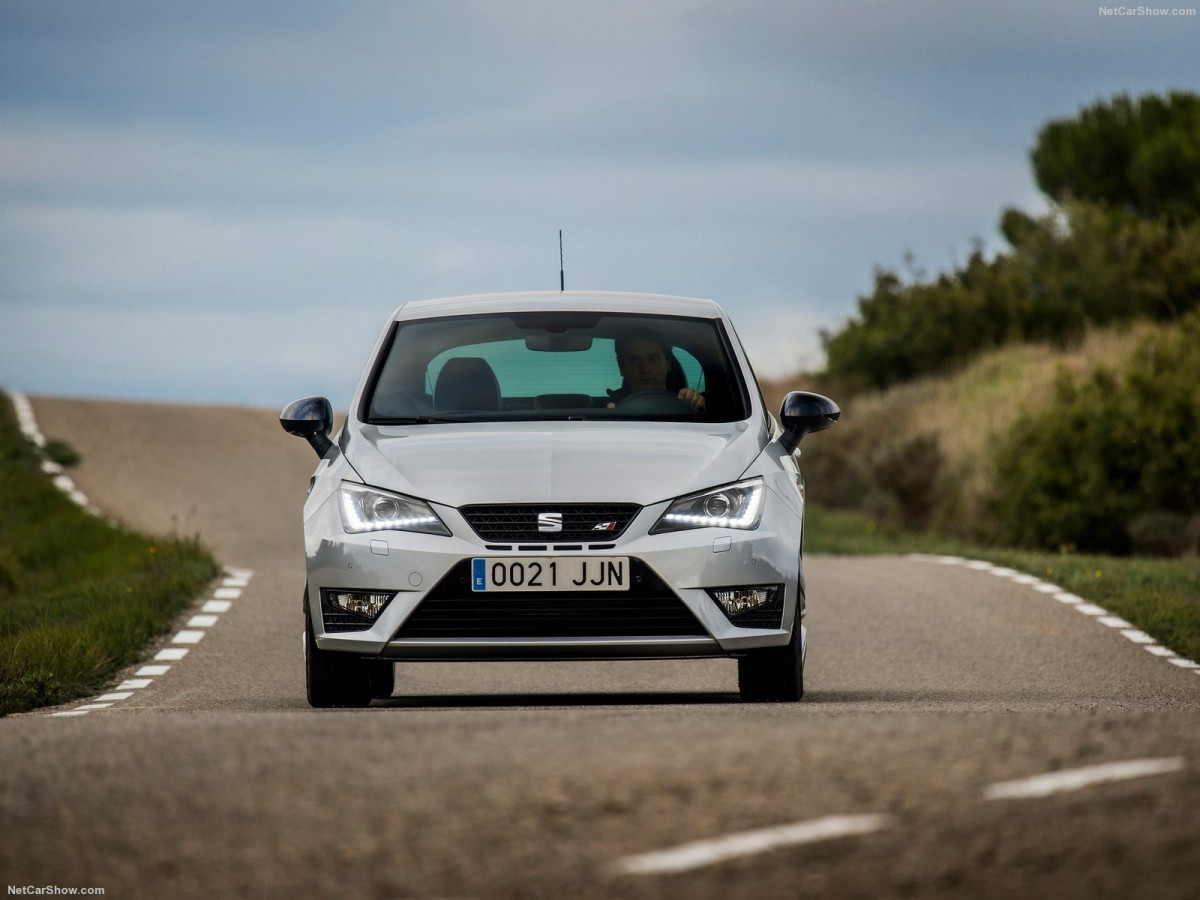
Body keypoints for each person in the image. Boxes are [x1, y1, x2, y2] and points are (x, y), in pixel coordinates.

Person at [606, 334, 706, 410]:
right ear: (622, 368)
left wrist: (698, 409)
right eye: (635, 361)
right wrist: (610, 421)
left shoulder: (687, 404)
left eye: (654, 359)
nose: (645, 369)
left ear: (668, 364)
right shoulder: (611, 410)